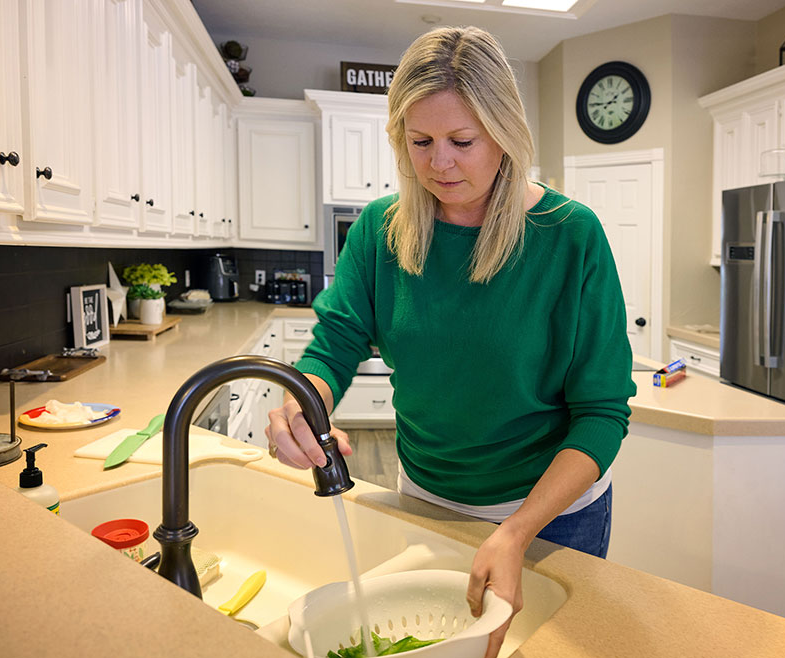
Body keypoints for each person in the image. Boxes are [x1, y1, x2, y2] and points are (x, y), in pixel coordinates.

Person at [265, 25, 635, 658]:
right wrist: (307, 397)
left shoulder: (571, 236)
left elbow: (601, 414)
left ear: (506, 134)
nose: (440, 163)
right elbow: (336, 343)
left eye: (463, 141)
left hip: (551, 516)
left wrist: (517, 532)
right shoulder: (381, 230)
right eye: (421, 142)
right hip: (427, 498)